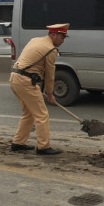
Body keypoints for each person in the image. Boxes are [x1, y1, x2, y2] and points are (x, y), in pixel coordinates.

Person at [9, 23, 69, 155]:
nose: (63, 40)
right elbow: (50, 75)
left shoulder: (35, 40)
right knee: (42, 114)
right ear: (54, 35)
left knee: (28, 113)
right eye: (62, 37)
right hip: (26, 81)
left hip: (15, 77)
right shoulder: (51, 50)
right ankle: (43, 147)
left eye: (65, 37)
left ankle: (18, 143)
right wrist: (50, 93)